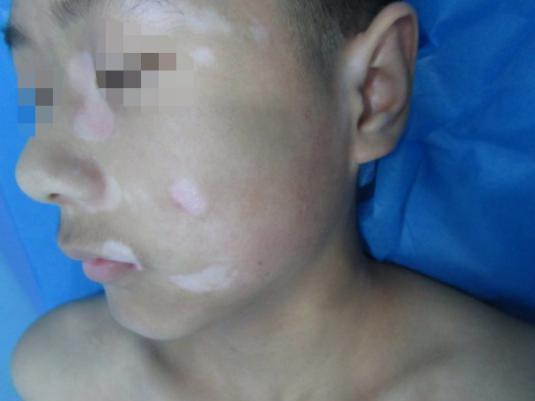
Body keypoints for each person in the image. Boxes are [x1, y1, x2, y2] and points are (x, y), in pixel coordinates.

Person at [8, 0, 535, 400]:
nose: (33, 172)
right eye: (37, 88)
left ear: (371, 93)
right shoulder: (58, 375)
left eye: (128, 75)